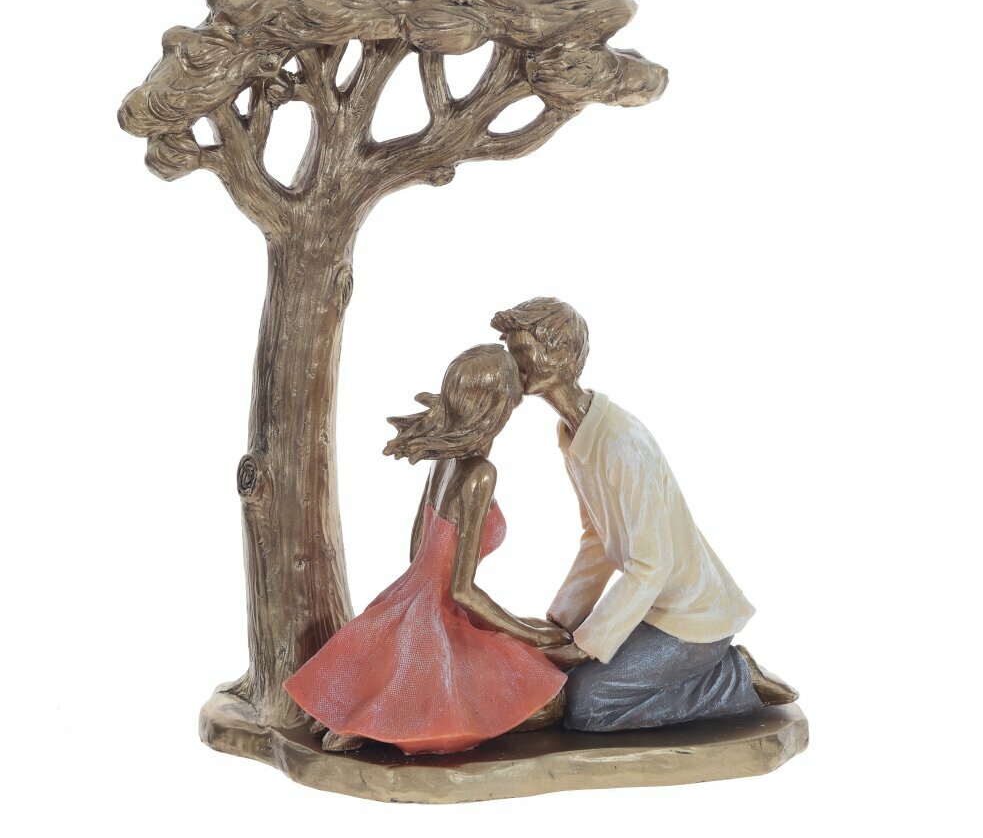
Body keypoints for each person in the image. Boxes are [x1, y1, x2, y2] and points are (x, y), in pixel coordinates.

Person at [492, 298, 798, 732]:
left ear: (559, 355)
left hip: (692, 620)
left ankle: (734, 679)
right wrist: (563, 622)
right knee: (565, 679)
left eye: (522, 352)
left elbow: (651, 565)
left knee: (588, 705)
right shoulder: (575, 433)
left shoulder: (621, 441)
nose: (514, 365)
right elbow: (596, 540)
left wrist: (586, 644)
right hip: (649, 609)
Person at [283, 344, 569, 754]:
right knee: (543, 692)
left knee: (391, 677)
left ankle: (355, 718)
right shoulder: (479, 475)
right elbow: (461, 591)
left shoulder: (443, 461)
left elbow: (418, 547)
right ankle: (374, 725)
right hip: (438, 615)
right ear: (497, 410)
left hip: (405, 599)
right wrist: (533, 634)